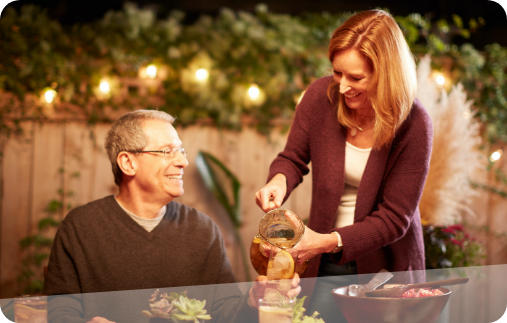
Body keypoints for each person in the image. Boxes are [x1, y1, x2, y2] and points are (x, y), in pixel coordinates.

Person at [255, 9, 432, 321]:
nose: (343, 86)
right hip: (324, 264)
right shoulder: (319, 97)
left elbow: (394, 218)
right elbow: (292, 158)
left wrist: (325, 242)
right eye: (338, 73)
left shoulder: (414, 124)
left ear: (386, 74)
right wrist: (278, 181)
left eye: (356, 78)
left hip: (385, 271)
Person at [43, 110, 300, 323]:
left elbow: (225, 310)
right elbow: (59, 312)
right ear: (128, 163)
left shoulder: (203, 230)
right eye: (167, 151)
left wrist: (252, 300)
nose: (182, 162)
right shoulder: (79, 228)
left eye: (181, 151)